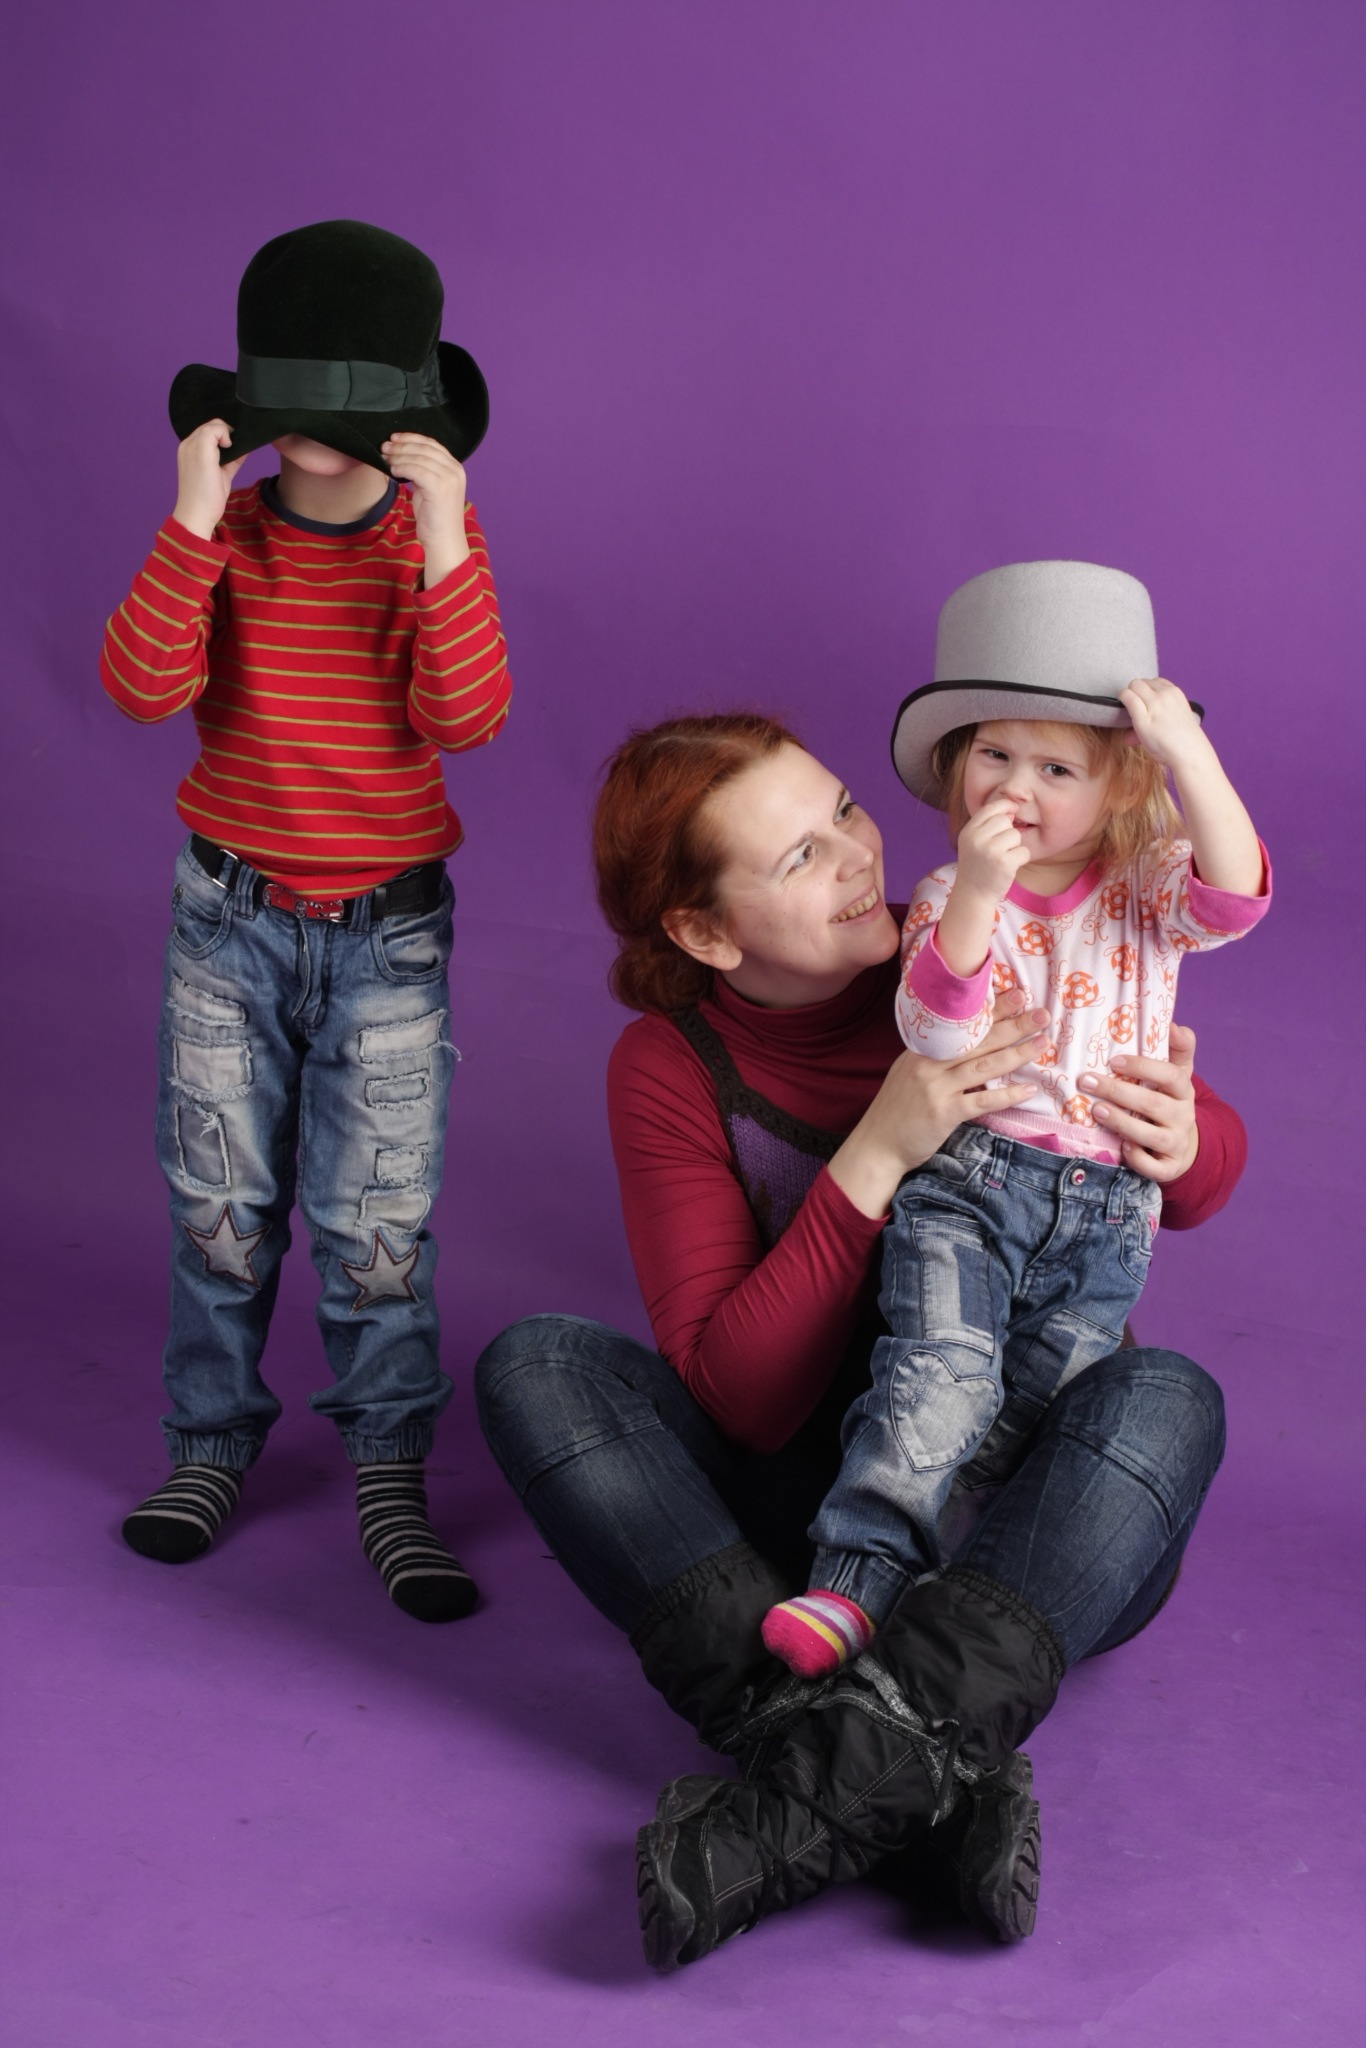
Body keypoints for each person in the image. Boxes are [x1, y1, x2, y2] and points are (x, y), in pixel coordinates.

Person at [474, 712, 1240, 1967]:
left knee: (1168, 1397)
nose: (856, 854)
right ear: (705, 931)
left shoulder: (973, 939)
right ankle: (915, 1766)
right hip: (804, 1524)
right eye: (800, 856)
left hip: (1017, 1528)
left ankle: (809, 1778)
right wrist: (879, 1148)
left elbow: (1195, 1167)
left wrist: (1189, 1137)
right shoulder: (671, 1064)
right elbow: (741, 1396)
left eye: (841, 809)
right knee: (538, 1365)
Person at [100, 220, 512, 1622]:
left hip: (387, 941)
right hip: (228, 923)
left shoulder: (428, 547)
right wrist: (191, 518)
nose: (312, 436)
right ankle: (209, 1442)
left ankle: (388, 1466)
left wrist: (445, 536)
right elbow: (141, 689)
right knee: (219, 1210)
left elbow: (468, 715)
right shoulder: (227, 538)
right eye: (285, 406)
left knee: (373, 1222)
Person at [762, 562, 1270, 1678]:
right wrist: (984, 894)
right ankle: (850, 1580)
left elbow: (1236, 896)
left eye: (1057, 767)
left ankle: (939, 1593)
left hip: (1107, 1214)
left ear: (1120, 786)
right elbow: (934, 1032)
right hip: (975, 1184)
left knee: (1028, 1416)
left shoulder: (1148, 886)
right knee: (936, 1374)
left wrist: (1188, 753)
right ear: (957, 765)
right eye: (994, 754)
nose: (1017, 787)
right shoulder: (953, 895)